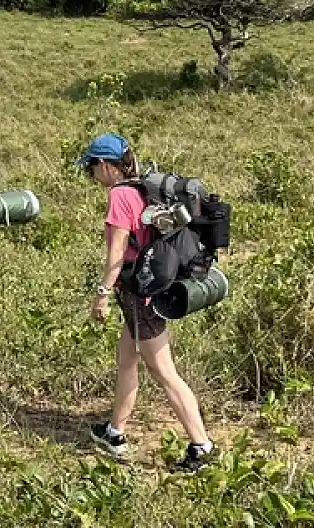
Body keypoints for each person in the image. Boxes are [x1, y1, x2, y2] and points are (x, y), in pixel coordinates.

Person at [81, 132, 215, 473]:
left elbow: (116, 253)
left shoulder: (120, 196)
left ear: (106, 165)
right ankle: (115, 432)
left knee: (163, 371)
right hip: (147, 286)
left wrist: (101, 294)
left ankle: (201, 446)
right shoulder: (144, 186)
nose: (91, 175)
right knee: (127, 358)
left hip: (139, 292)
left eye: (91, 167)